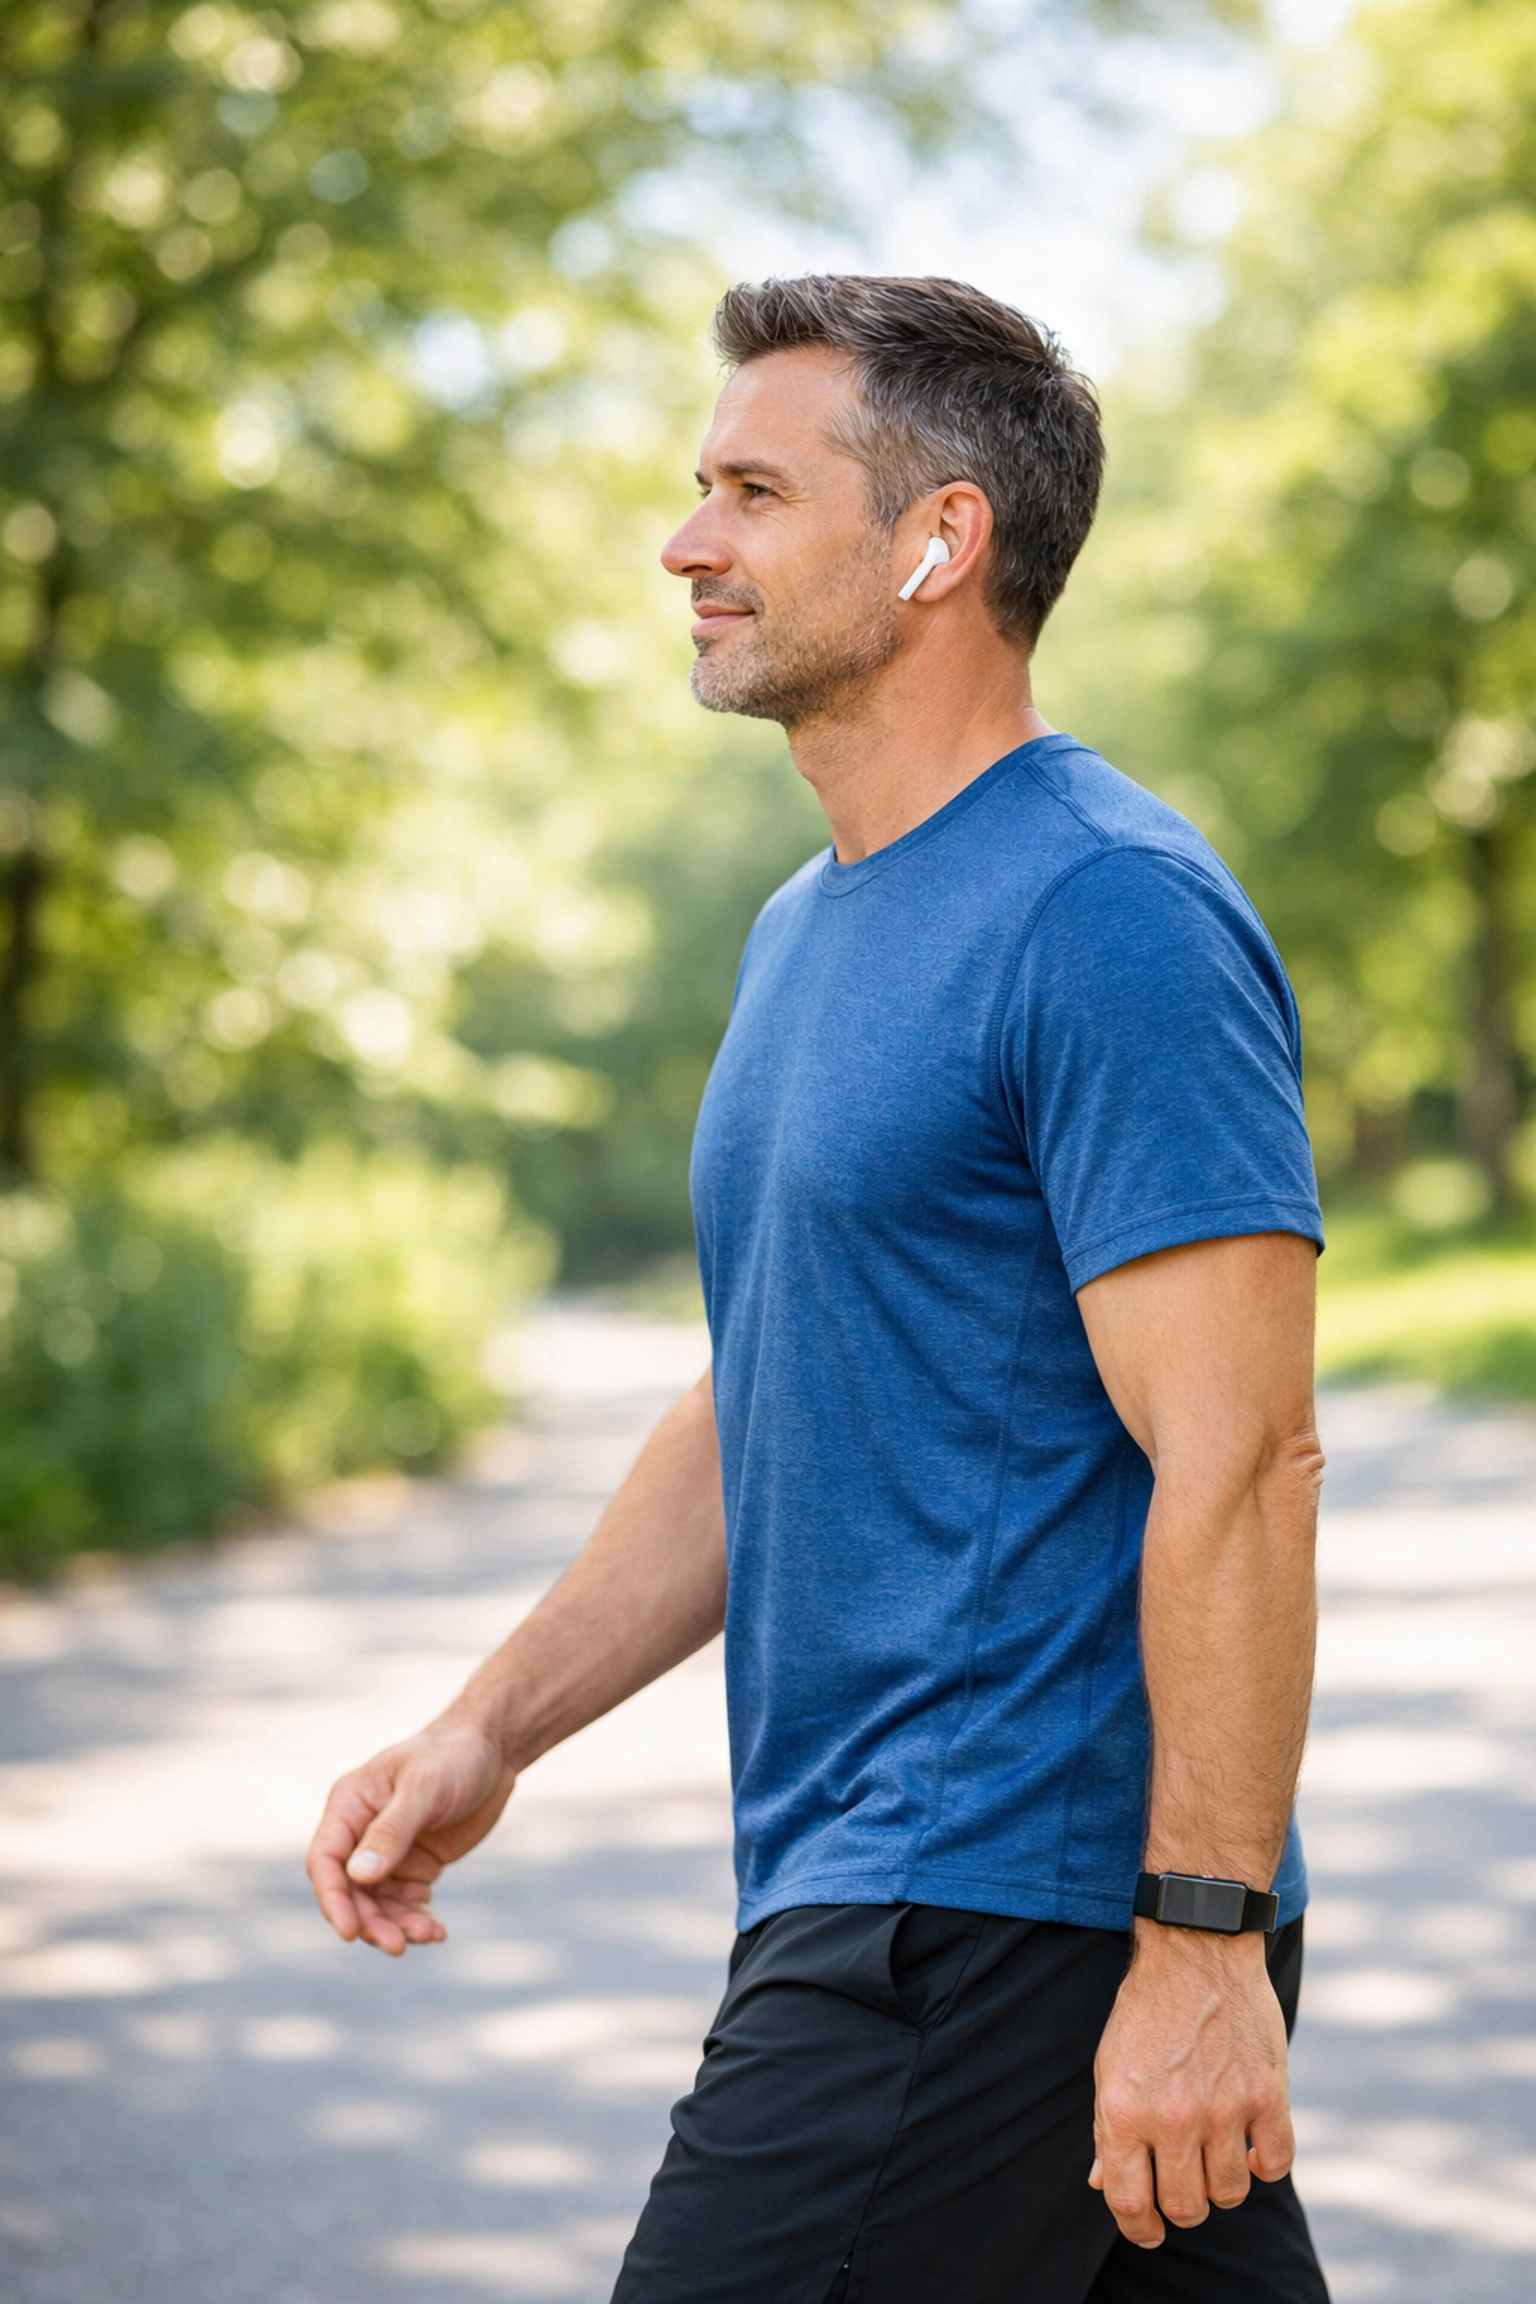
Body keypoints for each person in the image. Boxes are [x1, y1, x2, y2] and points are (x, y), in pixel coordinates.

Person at [308, 274, 1331, 2304]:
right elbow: (763, 1393)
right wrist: (493, 1729)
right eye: (703, 489)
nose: (690, 544)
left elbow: (1247, 1449)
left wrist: (1204, 1946)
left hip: (988, 1918)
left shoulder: (1105, 910)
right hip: (902, 1893)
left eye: (753, 492)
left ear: (940, 541)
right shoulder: (807, 931)